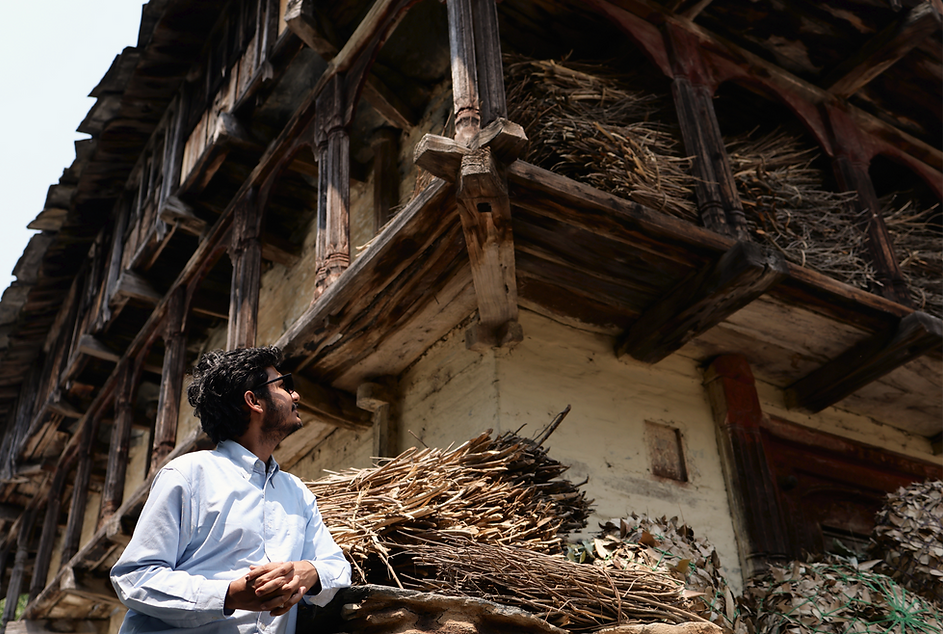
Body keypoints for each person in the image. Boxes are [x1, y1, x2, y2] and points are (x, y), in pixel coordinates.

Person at [111, 346, 352, 633]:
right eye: (283, 385)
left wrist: (309, 573)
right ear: (254, 401)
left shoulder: (297, 493)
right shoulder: (187, 475)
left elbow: (337, 568)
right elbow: (135, 578)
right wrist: (229, 595)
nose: (295, 395)